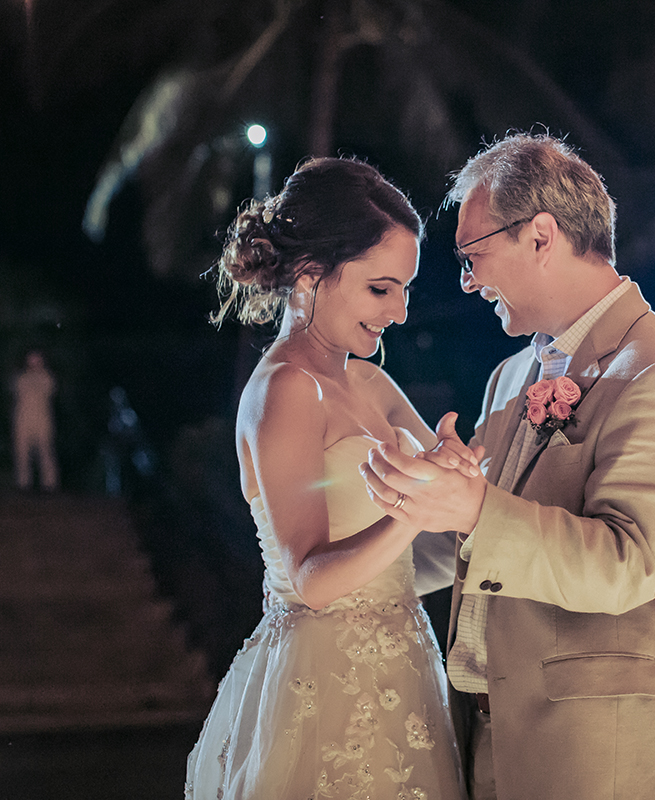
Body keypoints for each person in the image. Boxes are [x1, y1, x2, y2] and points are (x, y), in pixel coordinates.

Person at [361, 133, 655, 800]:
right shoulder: (508, 377)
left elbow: (627, 565)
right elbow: (483, 546)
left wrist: (474, 508)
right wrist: (415, 510)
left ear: (540, 236)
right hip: (481, 737)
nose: (468, 283)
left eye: (474, 258)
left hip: (590, 754)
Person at [185, 157, 468, 800]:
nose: (398, 313)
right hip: (324, 679)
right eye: (380, 289)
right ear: (312, 276)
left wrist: (456, 467)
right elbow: (311, 580)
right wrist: (413, 509)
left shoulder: (367, 378)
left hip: (407, 659)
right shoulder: (284, 390)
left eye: (405, 290)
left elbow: (448, 497)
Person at [11, 349, 59, 492]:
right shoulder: (21, 378)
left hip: (42, 420)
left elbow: (49, 389)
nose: (34, 362)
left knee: (46, 452)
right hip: (23, 420)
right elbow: (16, 390)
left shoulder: (47, 377)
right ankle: (23, 484)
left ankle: (49, 484)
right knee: (22, 454)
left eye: (37, 359)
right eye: (31, 359)